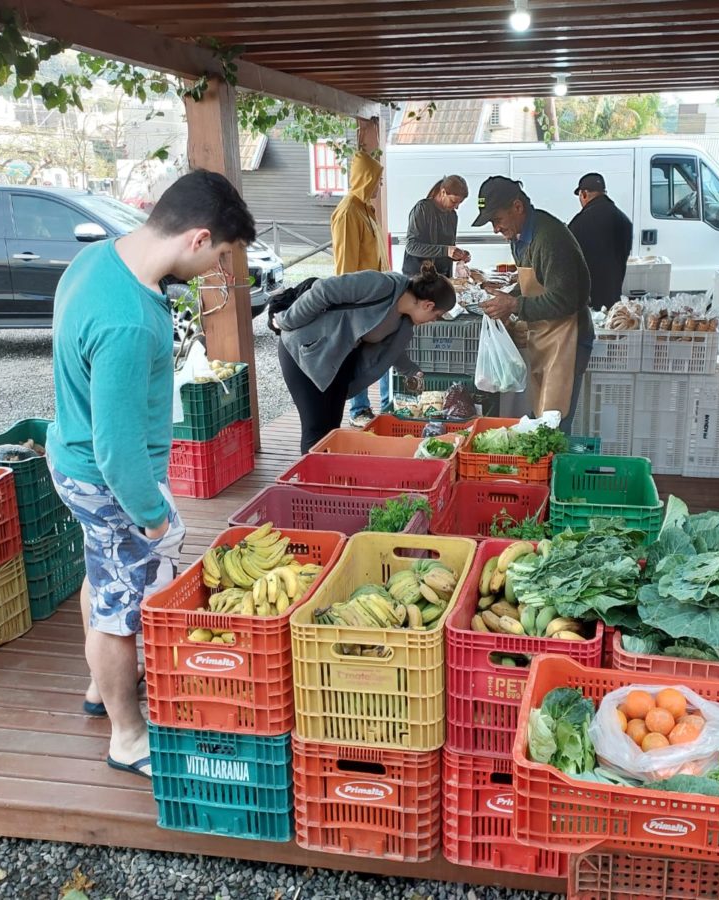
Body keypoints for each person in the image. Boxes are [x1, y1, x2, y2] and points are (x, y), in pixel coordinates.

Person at [47, 170, 256, 780]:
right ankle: (127, 735)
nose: (214, 267)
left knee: (103, 573)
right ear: (196, 238)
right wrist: (157, 517)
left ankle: (97, 687)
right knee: (121, 611)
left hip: (71, 458)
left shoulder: (93, 261)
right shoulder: (131, 321)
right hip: (109, 478)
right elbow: (118, 451)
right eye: (218, 253)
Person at [274, 263, 455, 453]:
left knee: (331, 431)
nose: (433, 321)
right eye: (437, 315)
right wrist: (286, 321)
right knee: (315, 429)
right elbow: (323, 291)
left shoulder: (404, 320)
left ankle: (326, 479)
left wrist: (411, 371)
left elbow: (392, 349)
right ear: (428, 305)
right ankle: (310, 480)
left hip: (338, 362)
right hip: (306, 351)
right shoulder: (382, 285)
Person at [472, 176, 593, 434]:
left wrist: (514, 305)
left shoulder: (549, 239)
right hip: (546, 337)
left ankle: (554, 472)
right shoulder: (520, 238)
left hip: (568, 339)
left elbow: (565, 299)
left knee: (554, 426)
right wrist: (506, 298)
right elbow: (534, 282)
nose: (495, 228)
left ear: (517, 207)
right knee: (541, 418)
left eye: (497, 219)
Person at [331, 148, 394, 428]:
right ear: (364, 178)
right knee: (358, 354)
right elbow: (345, 266)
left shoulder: (366, 209)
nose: (379, 186)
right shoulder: (347, 212)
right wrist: (349, 306)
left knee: (380, 352)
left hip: (378, 298)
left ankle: (388, 405)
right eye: (377, 180)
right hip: (359, 301)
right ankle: (358, 409)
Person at [567, 172, 634, 311]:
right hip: (613, 299)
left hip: (587, 301)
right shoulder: (624, 220)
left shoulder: (579, 223)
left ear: (584, 194)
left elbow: (566, 260)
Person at [403, 175, 471, 278]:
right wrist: (446, 250)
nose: (456, 207)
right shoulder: (422, 209)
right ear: (443, 192)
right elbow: (411, 246)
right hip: (419, 279)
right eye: (453, 201)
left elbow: (446, 250)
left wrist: (459, 255)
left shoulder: (452, 216)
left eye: (459, 203)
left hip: (441, 278)